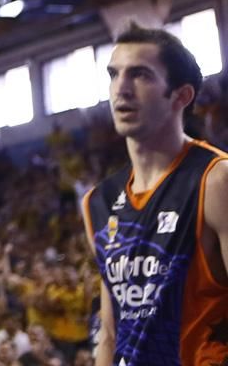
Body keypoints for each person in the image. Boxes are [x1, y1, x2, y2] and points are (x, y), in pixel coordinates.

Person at [84, 23, 228, 364]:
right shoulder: (97, 202)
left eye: (141, 75)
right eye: (114, 74)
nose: (122, 88)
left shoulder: (216, 179)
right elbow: (110, 330)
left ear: (181, 95)